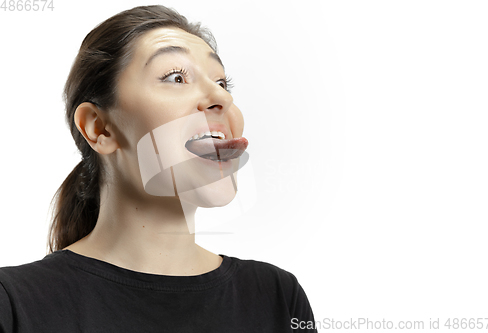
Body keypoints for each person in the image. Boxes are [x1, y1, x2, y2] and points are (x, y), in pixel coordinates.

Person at [0, 5, 317, 332]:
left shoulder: (275, 297)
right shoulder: (14, 303)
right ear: (99, 128)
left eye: (223, 82)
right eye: (176, 77)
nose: (220, 96)